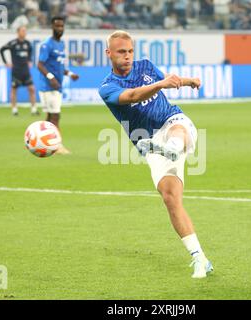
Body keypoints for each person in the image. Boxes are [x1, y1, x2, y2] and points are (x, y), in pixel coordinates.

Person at [98, 30, 213, 279]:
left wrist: (188, 80)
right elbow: (131, 96)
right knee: (171, 199)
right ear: (109, 53)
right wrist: (160, 84)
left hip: (171, 121)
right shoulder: (107, 87)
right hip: (149, 142)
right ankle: (199, 258)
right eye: (121, 52)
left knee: (179, 129)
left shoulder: (146, 66)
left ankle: (172, 147)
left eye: (129, 51)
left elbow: (168, 80)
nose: (127, 56)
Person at [37, 16, 79, 155]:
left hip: (56, 86)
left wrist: (70, 73)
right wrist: (50, 77)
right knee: (55, 117)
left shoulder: (61, 45)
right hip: (48, 87)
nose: (60, 29)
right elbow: (40, 64)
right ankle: (57, 146)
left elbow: (59, 66)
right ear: (52, 27)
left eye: (62, 26)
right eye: (57, 26)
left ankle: (43, 142)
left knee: (50, 117)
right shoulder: (47, 45)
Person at [0, 25, 38, 116]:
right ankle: (14, 109)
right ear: (18, 32)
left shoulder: (28, 44)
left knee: (32, 89)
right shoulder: (13, 43)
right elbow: (1, 50)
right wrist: (6, 62)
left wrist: (29, 61)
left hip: (25, 70)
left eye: (25, 31)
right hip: (16, 70)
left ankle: (33, 109)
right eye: (22, 31)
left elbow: (31, 52)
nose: (24, 33)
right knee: (14, 90)